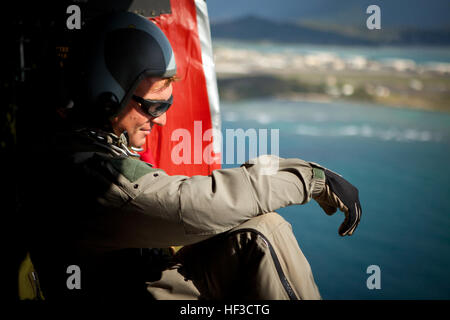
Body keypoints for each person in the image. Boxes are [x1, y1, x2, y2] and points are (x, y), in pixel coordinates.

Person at [26, 12, 362, 301]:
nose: (162, 120)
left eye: (167, 106)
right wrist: (309, 179)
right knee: (264, 232)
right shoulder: (88, 174)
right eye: (153, 106)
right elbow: (191, 205)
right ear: (107, 98)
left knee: (259, 231)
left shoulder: (80, 149)